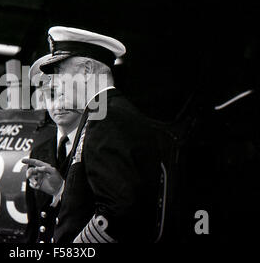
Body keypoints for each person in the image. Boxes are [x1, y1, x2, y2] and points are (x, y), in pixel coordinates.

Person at [23, 26, 163, 243]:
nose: (56, 84)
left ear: (87, 70)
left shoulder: (108, 117)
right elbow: (89, 201)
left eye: (60, 72)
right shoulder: (102, 113)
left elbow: (117, 212)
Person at [24, 55, 83, 243]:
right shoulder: (39, 151)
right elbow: (34, 224)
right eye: (50, 95)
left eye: (65, 94)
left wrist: (61, 190)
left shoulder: (95, 148)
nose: (59, 104)